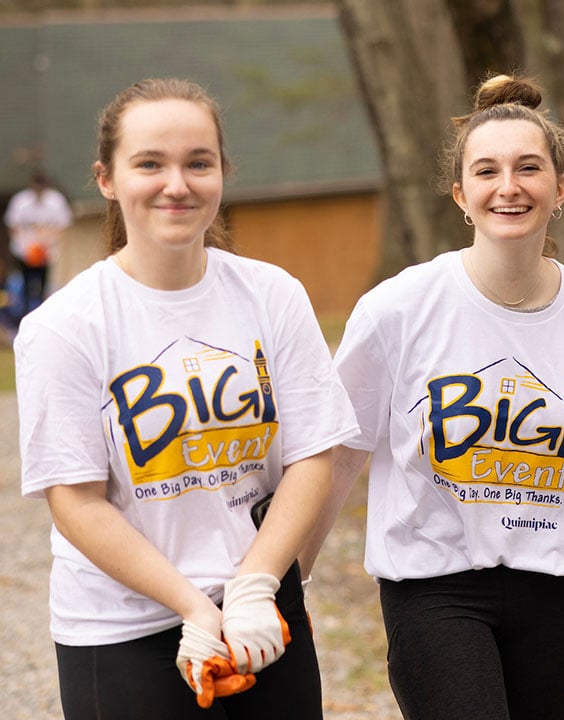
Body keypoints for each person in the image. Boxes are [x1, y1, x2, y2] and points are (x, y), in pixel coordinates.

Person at [301, 74, 564, 720]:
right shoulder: (399, 310)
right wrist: (292, 582)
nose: (509, 186)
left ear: (560, 189)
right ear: (461, 195)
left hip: (555, 592)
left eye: (529, 168)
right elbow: (338, 455)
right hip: (433, 589)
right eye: (487, 171)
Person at [14, 78, 358, 719]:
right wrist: (195, 608)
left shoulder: (272, 294)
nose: (177, 183)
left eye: (198, 162)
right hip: (123, 627)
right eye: (150, 163)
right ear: (108, 179)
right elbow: (76, 501)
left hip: (261, 610)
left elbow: (314, 453)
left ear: (222, 171)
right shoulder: (64, 324)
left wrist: (255, 586)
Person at [4, 169, 73, 319]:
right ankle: (25, 314)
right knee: (26, 285)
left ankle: (43, 314)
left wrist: (46, 240)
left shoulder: (55, 201)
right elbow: (13, 225)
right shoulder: (21, 201)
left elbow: (63, 226)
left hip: (47, 251)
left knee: (43, 285)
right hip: (24, 251)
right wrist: (27, 243)